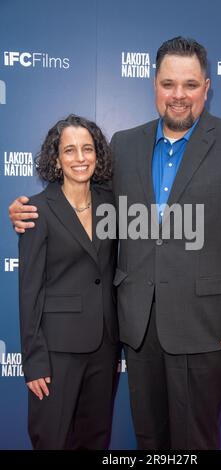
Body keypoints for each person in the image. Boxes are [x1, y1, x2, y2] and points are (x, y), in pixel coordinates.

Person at [9, 37, 221, 450]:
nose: (178, 96)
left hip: (204, 327)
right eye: (169, 84)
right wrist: (32, 210)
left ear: (207, 87)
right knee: (149, 440)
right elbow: (85, 204)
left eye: (190, 85)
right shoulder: (125, 144)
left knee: (194, 441)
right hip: (137, 328)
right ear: (154, 85)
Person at [17, 114, 119, 450]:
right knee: (52, 439)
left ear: (97, 155)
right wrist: (33, 362)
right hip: (56, 351)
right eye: (70, 150)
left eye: (87, 149)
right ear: (56, 159)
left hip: (105, 347)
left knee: (94, 438)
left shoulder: (112, 205)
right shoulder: (37, 210)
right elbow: (29, 291)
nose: (80, 158)